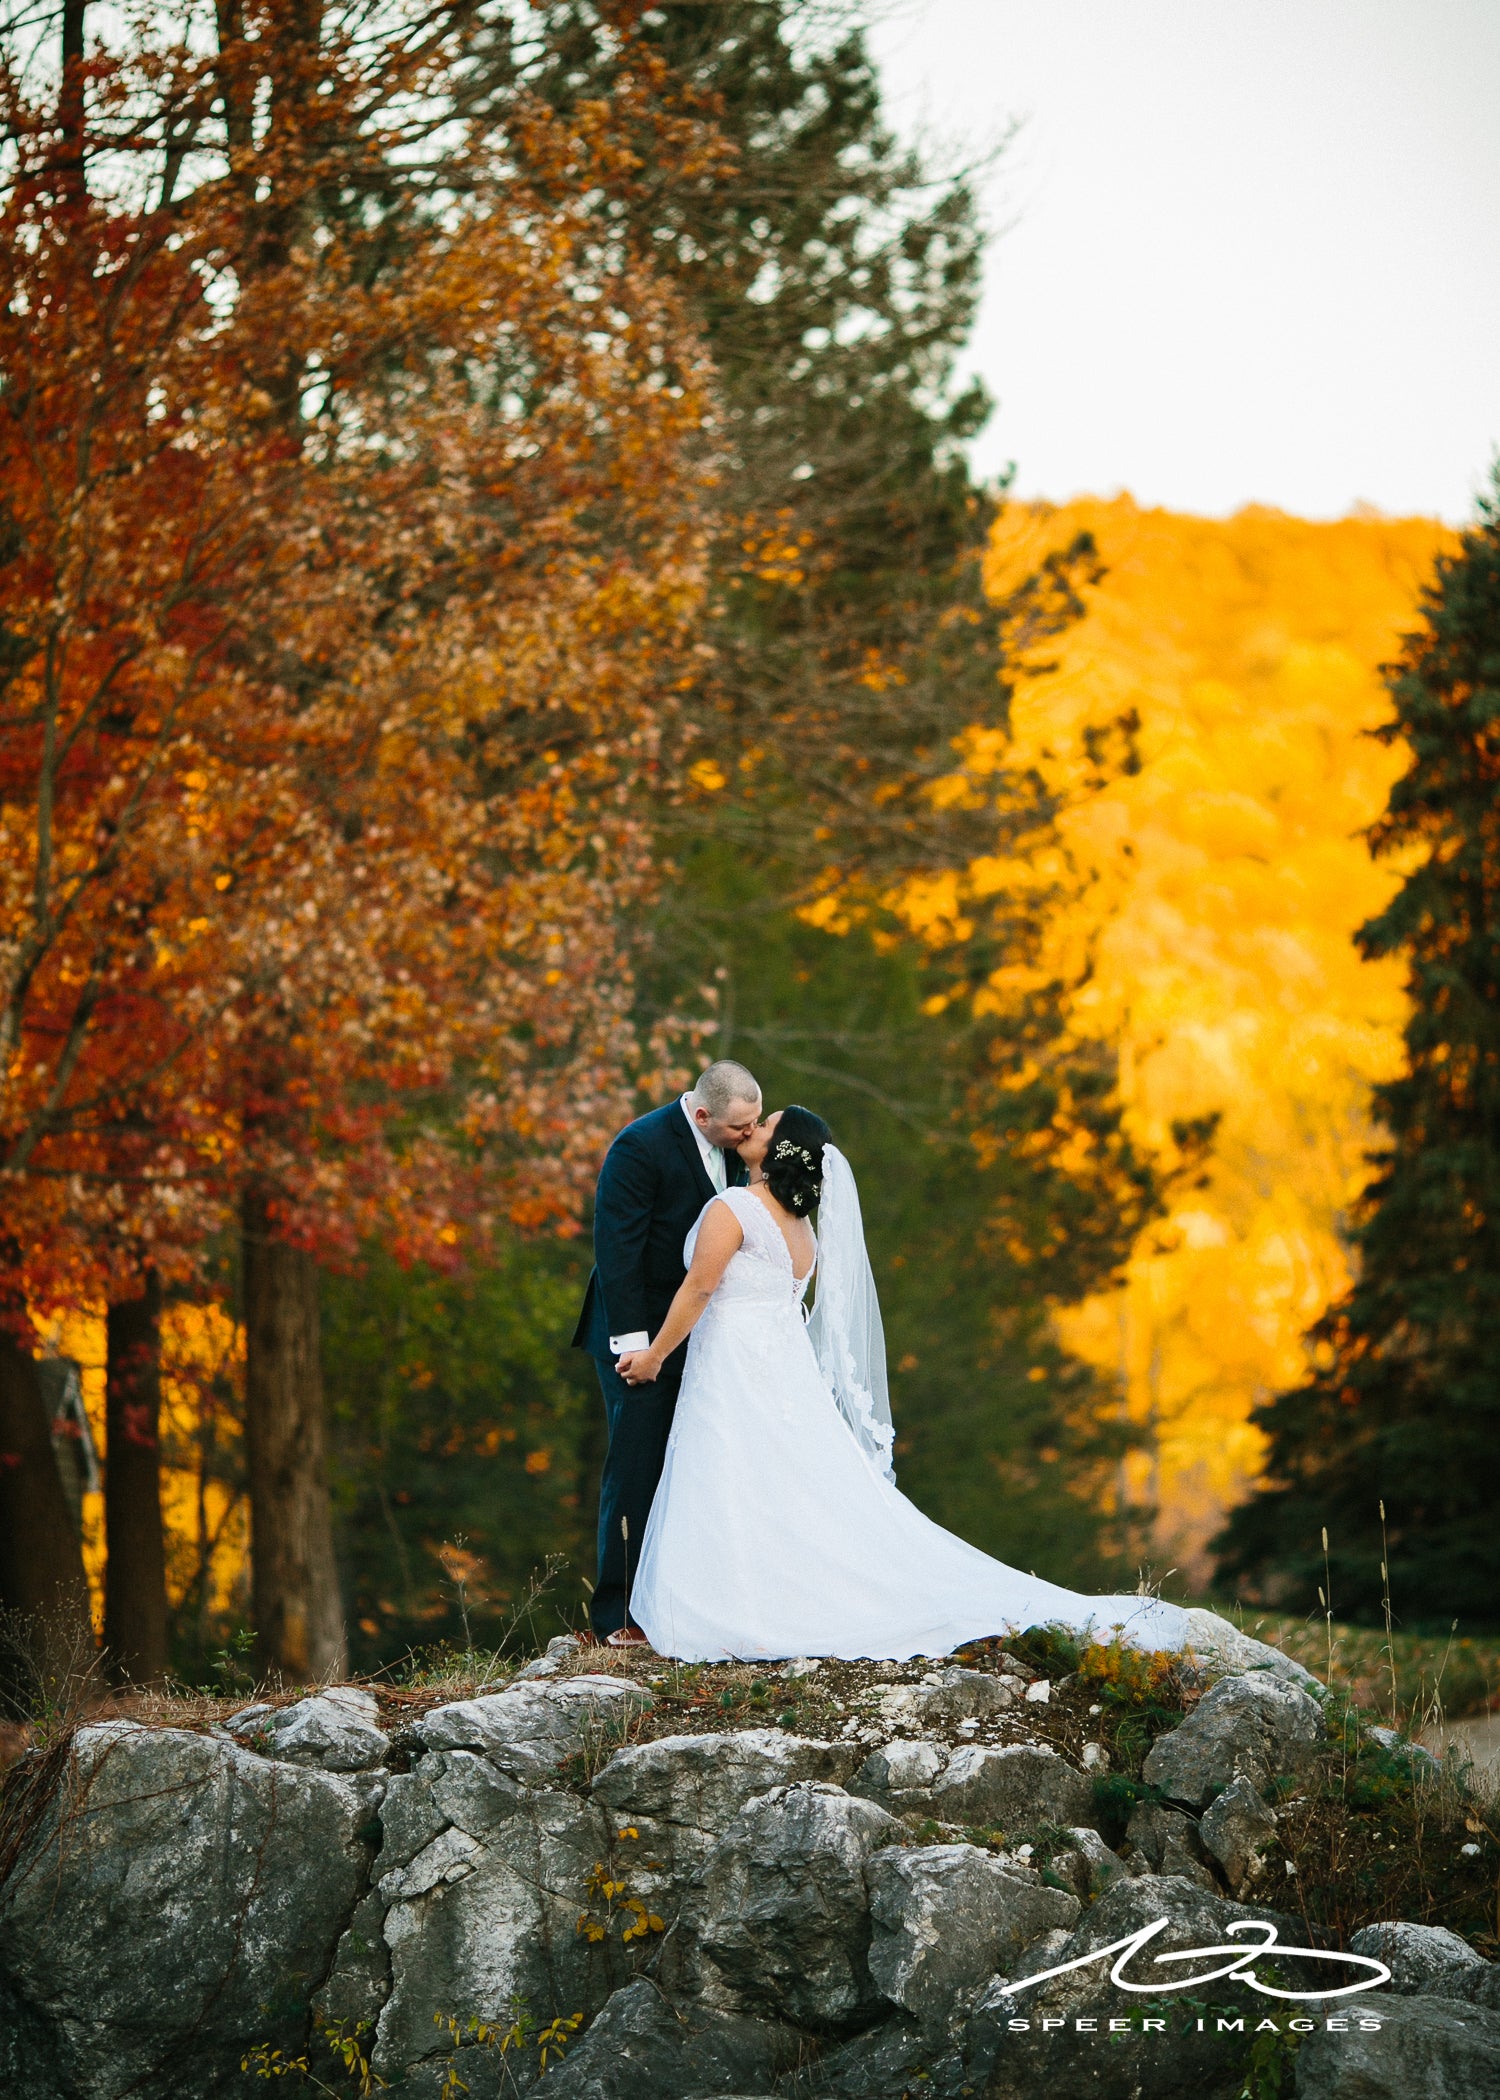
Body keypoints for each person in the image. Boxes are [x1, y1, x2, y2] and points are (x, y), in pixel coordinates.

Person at [617, 1105, 1198, 1663]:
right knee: (772, 1481)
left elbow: (697, 1290)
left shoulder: (734, 1208)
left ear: (780, 1147)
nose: (755, 1126)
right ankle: (761, 1597)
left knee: (732, 1474)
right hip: (778, 1371)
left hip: (736, 1368)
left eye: (766, 1123)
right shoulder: (800, 1229)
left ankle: (736, 1604)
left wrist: (654, 1357)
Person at [573, 1059, 762, 1644]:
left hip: (699, 1333)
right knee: (636, 1467)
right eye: (739, 1128)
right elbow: (617, 1249)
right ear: (703, 1114)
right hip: (639, 1336)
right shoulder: (640, 1146)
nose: (749, 1136)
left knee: (695, 1466)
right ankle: (618, 1618)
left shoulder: (737, 1148)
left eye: (754, 1124)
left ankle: (680, 1607)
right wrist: (636, 1346)